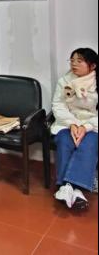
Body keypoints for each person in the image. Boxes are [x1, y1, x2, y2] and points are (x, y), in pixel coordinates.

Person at [51, 47, 98, 210]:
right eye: (72, 61)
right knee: (65, 140)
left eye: (79, 61)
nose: (74, 64)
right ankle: (76, 190)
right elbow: (58, 105)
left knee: (89, 143)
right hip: (67, 124)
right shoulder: (64, 81)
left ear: (93, 65)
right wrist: (72, 124)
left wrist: (85, 127)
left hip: (93, 126)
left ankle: (67, 187)